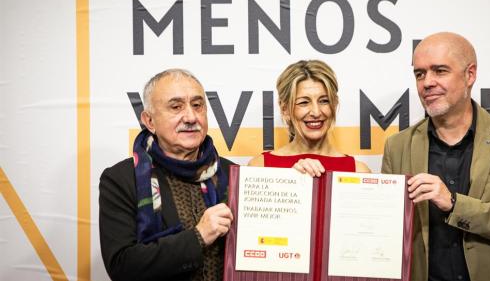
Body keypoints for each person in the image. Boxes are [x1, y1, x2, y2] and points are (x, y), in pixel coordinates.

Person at [382, 32, 490, 281]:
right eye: (420, 74)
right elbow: (387, 228)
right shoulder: (397, 146)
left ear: (470, 74)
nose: (427, 82)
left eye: (439, 71)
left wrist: (453, 204)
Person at [99, 69, 234, 281]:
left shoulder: (232, 174)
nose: (190, 117)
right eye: (176, 107)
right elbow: (122, 266)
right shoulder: (122, 179)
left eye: (197, 105)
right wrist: (198, 237)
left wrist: (301, 183)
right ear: (149, 121)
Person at [248, 60, 370, 175]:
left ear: (334, 104)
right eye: (304, 102)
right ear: (285, 110)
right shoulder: (259, 168)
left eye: (324, 101)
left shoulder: (359, 172)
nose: (316, 112)